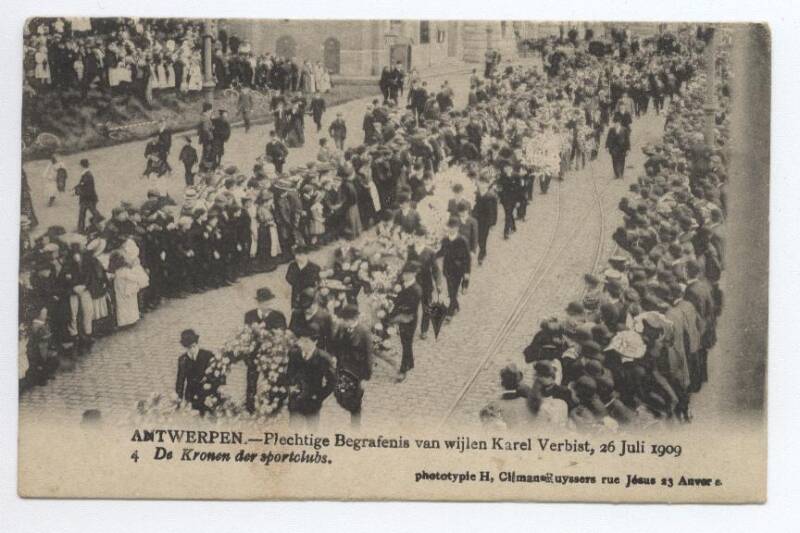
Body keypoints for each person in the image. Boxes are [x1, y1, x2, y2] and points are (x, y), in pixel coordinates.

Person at [243, 287, 288, 413]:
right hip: (254, 353)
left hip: (271, 354)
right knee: (251, 380)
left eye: (268, 302)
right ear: (258, 302)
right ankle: (250, 406)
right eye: (263, 302)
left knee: (273, 378)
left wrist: (265, 331)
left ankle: (274, 403)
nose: (267, 305)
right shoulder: (250, 315)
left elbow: (282, 333)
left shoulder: (278, 316)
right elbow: (246, 335)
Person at [331, 303, 373, 428]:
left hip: (358, 372)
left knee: (356, 402)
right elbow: (335, 344)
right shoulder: (342, 328)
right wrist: (334, 356)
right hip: (343, 369)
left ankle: (355, 427)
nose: (344, 322)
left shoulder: (364, 332)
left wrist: (366, 378)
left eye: (346, 320)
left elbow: (369, 356)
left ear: (353, 319)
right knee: (341, 394)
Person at [286, 329, 336, 429]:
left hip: (312, 401)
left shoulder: (323, 358)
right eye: (301, 341)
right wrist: (290, 387)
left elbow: (333, 381)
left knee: (312, 431)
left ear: (315, 342)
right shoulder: (294, 354)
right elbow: (289, 374)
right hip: (296, 400)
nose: (302, 345)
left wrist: (320, 396)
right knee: (294, 430)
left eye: (306, 341)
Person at [390, 262, 423, 382]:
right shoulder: (404, 284)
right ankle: (410, 362)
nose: (405, 276)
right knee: (405, 342)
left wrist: (394, 309)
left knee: (406, 343)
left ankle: (403, 369)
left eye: (408, 274)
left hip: (408, 318)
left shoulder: (416, 289)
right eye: (404, 273)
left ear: (414, 274)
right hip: (403, 317)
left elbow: (410, 307)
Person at [407, 229, 441, 340]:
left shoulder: (430, 252)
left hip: (426, 284)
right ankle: (410, 329)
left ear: (424, 238)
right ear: (413, 237)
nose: (418, 240)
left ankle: (424, 330)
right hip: (412, 285)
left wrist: (438, 283)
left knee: (426, 308)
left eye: (421, 237)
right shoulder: (409, 251)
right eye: (416, 237)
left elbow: (435, 269)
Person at [438, 217, 471, 318]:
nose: (451, 229)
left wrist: (467, 274)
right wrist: (432, 255)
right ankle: (456, 306)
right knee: (450, 290)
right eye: (449, 227)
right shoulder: (445, 240)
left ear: (457, 228)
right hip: (447, 270)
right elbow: (441, 252)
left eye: (453, 227)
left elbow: (467, 258)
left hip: (458, 270)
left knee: (453, 290)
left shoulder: (462, 240)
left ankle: (450, 311)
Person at [175, 329, 214, 412]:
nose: (192, 349)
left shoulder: (207, 355)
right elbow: (180, 382)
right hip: (190, 395)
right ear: (185, 347)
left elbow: (214, 376)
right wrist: (178, 401)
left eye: (194, 346)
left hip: (207, 395)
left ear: (196, 343)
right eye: (189, 347)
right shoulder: (183, 360)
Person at [285, 244, 320, 311]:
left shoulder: (314, 268)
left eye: (300, 255)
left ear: (306, 255)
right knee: (296, 311)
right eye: (296, 255)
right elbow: (288, 277)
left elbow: (316, 281)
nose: (297, 257)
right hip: (296, 294)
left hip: (308, 295)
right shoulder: (292, 266)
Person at [473, 179, 498, 265]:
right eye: (481, 183)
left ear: (487, 185)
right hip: (477, 220)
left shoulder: (491, 196)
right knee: (478, 237)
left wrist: (493, 223)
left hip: (486, 221)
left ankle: (482, 254)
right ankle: (483, 250)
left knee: (483, 238)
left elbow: (494, 211)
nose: (482, 185)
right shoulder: (475, 194)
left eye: (484, 183)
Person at [74, 158, 100, 233]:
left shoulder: (87, 175)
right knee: (83, 213)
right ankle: (81, 229)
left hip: (88, 199)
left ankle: (84, 228)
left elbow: (87, 188)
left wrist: (78, 191)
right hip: (88, 198)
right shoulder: (86, 174)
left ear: (81, 166)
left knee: (92, 213)